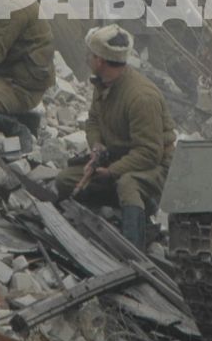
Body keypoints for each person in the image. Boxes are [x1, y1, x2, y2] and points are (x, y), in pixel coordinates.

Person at [74, 23, 176, 247]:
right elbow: (93, 120)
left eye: (90, 55)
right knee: (67, 180)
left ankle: (134, 247)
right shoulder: (103, 83)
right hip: (118, 155)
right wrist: (96, 147)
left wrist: (111, 171)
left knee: (128, 184)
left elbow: (150, 153)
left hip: (155, 165)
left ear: (100, 61)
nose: (87, 59)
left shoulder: (141, 97)